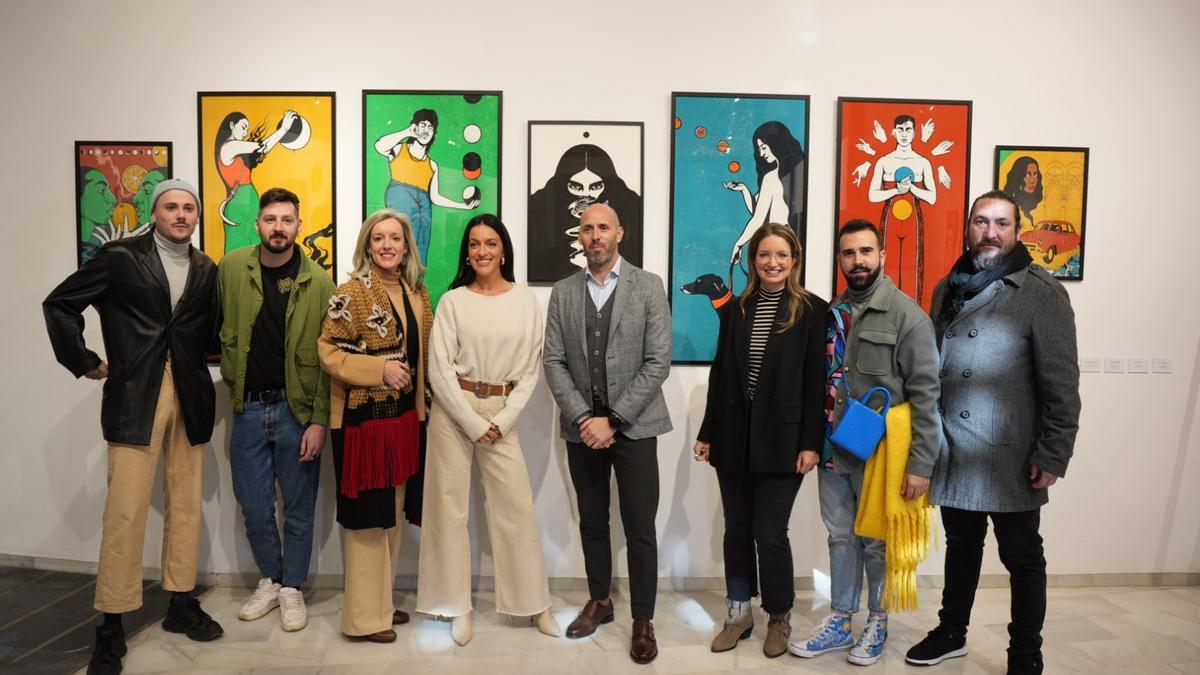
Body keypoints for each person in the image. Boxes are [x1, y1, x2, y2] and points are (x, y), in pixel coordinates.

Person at [44, 179, 222, 675]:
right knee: (124, 512)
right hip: (134, 392)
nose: (182, 214)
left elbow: (206, 331)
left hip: (191, 393)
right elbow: (60, 304)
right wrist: (83, 360)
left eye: (189, 207)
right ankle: (111, 624)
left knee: (185, 505)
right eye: (172, 207)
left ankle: (181, 603)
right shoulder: (119, 257)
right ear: (156, 212)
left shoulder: (207, 268)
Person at [905, 190, 1080, 675]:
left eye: (1002, 223)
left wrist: (1054, 450)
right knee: (961, 545)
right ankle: (951, 632)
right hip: (955, 447)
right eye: (981, 222)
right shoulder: (947, 287)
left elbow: (1062, 382)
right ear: (968, 227)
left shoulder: (1041, 293)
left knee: (1023, 557)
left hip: (1012, 452)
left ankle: (1025, 652)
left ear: (1017, 231)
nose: (990, 232)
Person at [788, 218, 940, 666]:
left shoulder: (907, 315)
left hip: (881, 453)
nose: (857, 261)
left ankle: (878, 620)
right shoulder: (832, 311)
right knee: (840, 535)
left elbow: (928, 394)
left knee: (875, 539)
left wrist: (921, 463)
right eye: (848, 253)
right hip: (836, 447)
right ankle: (840, 619)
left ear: (881, 255)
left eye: (865, 252)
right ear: (840, 260)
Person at [416, 214, 557, 646]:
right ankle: (454, 605)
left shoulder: (525, 301)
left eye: (490, 243)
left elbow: (532, 370)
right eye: (474, 244)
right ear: (467, 252)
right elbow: (438, 370)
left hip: (502, 411)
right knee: (447, 509)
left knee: (516, 509)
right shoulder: (454, 300)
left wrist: (501, 419)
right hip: (454, 410)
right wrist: (473, 421)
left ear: (503, 249)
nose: (482, 251)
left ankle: (534, 604)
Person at [542, 203, 671, 664]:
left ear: (620, 233)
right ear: (579, 235)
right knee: (593, 521)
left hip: (635, 427)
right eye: (587, 228)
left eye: (603, 228)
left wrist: (612, 419)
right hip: (582, 430)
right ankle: (600, 600)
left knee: (639, 527)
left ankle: (643, 619)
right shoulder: (563, 292)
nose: (595, 235)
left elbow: (658, 361)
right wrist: (584, 418)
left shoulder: (648, 287)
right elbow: (553, 362)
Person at [693, 222, 827, 658]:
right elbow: (721, 375)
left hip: (784, 440)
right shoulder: (736, 310)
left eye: (782, 256)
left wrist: (811, 443)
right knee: (736, 531)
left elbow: (815, 382)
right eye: (765, 255)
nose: (773, 263)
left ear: (795, 261)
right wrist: (708, 433)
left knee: (770, 534)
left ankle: (779, 616)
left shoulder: (811, 311)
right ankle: (738, 613)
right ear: (753, 261)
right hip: (733, 438)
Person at [217, 187, 335, 632]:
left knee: (300, 507)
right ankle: (270, 578)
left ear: (299, 226)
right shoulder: (231, 268)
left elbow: (329, 357)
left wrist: (319, 419)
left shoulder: (319, 281)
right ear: (258, 224)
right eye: (271, 219)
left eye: (287, 220)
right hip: (247, 408)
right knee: (254, 504)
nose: (279, 228)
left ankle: (292, 588)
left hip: (297, 411)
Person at [318, 209, 432, 643]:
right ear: (367, 245)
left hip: (404, 422)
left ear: (406, 247)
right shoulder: (350, 292)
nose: (387, 245)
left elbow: (424, 356)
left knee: (392, 516)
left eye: (395, 238)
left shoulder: (417, 294)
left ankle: (380, 604)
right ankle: (363, 620)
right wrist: (379, 370)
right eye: (378, 238)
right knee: (367, 521)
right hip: (361, 424)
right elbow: (328, 352)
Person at [374, 109, 480, 262]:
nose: (426, 130)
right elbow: (379, 146)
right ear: (415, 127)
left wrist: (462, 206)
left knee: (419, 256)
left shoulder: (432, 165)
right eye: (423, 125)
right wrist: (406, 132)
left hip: (424, 210)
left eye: (431, 127)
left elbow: (435, 198)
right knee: (398, 248)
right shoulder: (400, 149)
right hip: (401, 201)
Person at [528, 143, 644, 281]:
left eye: (595, 187)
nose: (586, 194)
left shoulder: (650, 285)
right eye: (576, 187)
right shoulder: (544, 211)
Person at [867, 115, 939, 301]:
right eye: (900, 129)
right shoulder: (884, 161)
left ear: (914, 133)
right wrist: (895, 190)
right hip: (890, 217)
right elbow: (872, 195)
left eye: (908, 130)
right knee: (885, 263)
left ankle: (911, 312)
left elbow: (932, 197)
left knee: (913, 267)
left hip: (913, 219)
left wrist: (912, 188)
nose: (904, 134)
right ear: (894, 132)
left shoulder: (923, 162)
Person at [724, 121, 806, 265]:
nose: (761, 153)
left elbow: (758, 219)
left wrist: (738, 244)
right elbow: (758, 212)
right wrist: (744, 189)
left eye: (763, 147)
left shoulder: (772, 178)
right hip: (790, 248)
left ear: (776, 144)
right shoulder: (796, 174)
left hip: (776, 246)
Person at [215, 110, 297, 252]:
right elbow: (261, 147)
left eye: (247, 128)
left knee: (255, 252)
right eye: (243, 127)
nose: (246, 132)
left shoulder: (238, 151)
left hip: (248, 203)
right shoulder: (229, 147)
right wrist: (284, 129)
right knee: (240, 253)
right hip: (240, 206)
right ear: (232, 125)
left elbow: (262, 150)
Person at [1002, 156, 1044, 228]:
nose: (1033, 180)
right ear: (1018, 177)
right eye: (1027, 175)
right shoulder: (1011, 205)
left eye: (1035, 175)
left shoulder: (1040, 204)